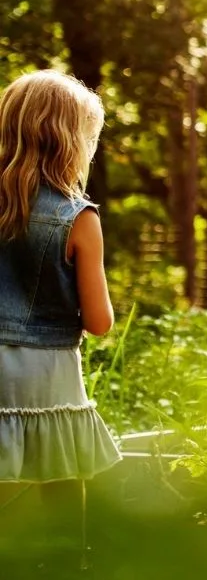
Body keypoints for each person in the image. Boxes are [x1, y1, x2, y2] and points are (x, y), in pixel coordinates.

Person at [0, 70, 121, 552]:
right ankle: (68, 561)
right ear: (72, 142)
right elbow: (99, 322)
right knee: (63, 471)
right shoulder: (78, 218)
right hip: (46, 371)